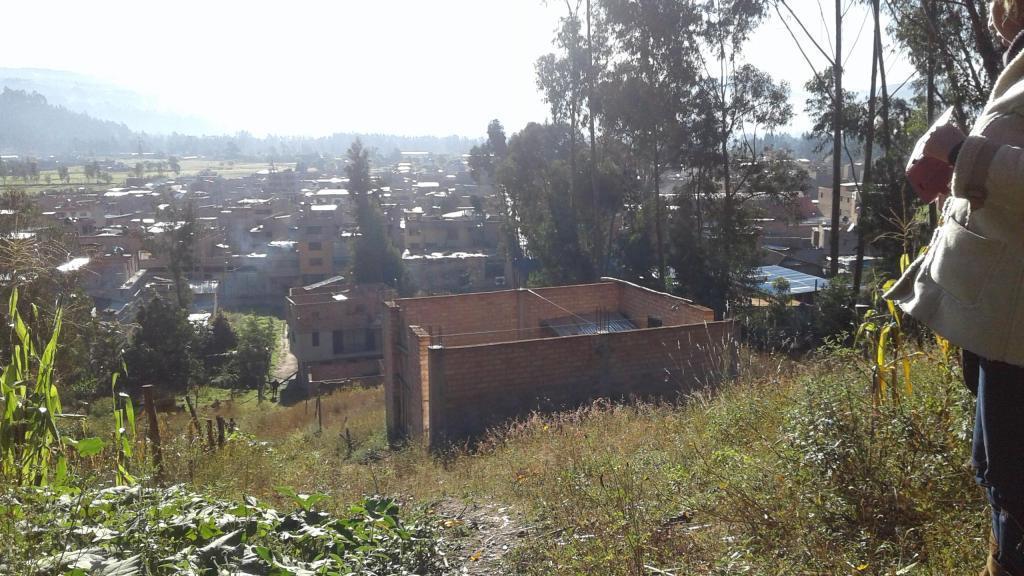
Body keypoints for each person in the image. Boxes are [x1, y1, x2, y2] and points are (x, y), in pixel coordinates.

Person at [886, 2, 1024, 574]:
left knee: (1013, 487)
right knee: (997, 473)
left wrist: (956, 148)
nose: (997, 15)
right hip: (998, 325)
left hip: (1017, 339)